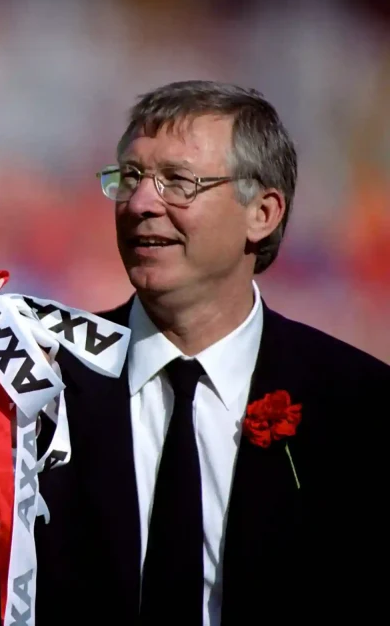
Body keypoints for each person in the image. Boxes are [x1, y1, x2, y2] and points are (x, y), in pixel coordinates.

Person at [36, 80, 390, 625]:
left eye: (178, 181)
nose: (141, 203)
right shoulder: (44, 386)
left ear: (263, 213)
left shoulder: (360, 404)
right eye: (130, 177)